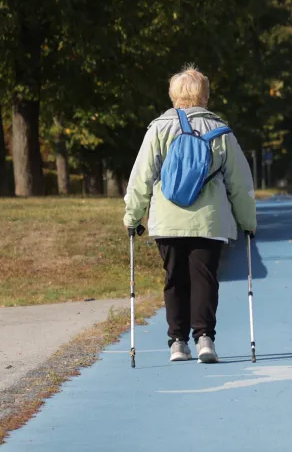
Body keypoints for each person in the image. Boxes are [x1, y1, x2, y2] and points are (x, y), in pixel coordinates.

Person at [124, 65, 257, 364]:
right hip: (209, 220)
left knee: (174, 279)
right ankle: (205, 338)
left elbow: (141, 176)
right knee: (205, 278)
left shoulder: (158, 128)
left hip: (168, 219)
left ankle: (177, 342)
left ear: (173, 95)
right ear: (205, 96)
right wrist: (248, 222)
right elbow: (240, 182)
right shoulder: (220, 130)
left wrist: (132, 217)